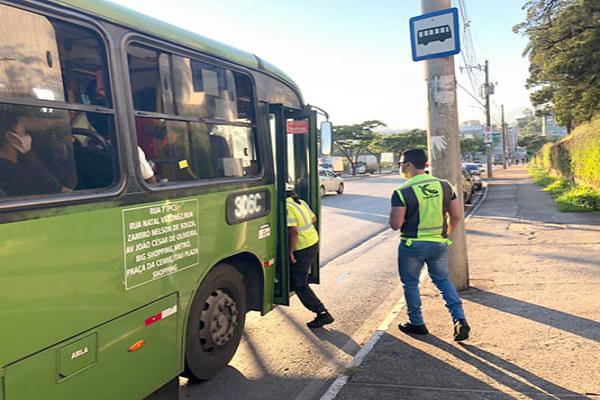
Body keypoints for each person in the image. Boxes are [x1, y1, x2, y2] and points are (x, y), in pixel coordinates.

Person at [389, 149, 470, 341]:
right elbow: (457, 216)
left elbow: (395, 224)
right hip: (438, 244)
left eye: (400, 164)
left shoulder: (402, 191)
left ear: (408, 165)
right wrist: (444, 236)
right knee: (442, 280)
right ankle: (459, 319)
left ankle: (417, 324)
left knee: (410, 284)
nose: (400, 167)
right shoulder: (445, 186)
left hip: (412, 245)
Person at [286, 188, 334, 329]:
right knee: (299, 280)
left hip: (302, 247)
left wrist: (290, 251)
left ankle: (322, 313)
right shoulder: (300, 202)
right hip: (312, 242)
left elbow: (294, 232)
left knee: (300, 284)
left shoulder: (287, 206)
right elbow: (313, 219)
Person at [0, 114, 70, 196]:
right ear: (11, 137)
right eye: (24, 132)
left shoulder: (19, 167)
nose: (29, 136)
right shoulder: (13, 172)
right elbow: (62, 191)